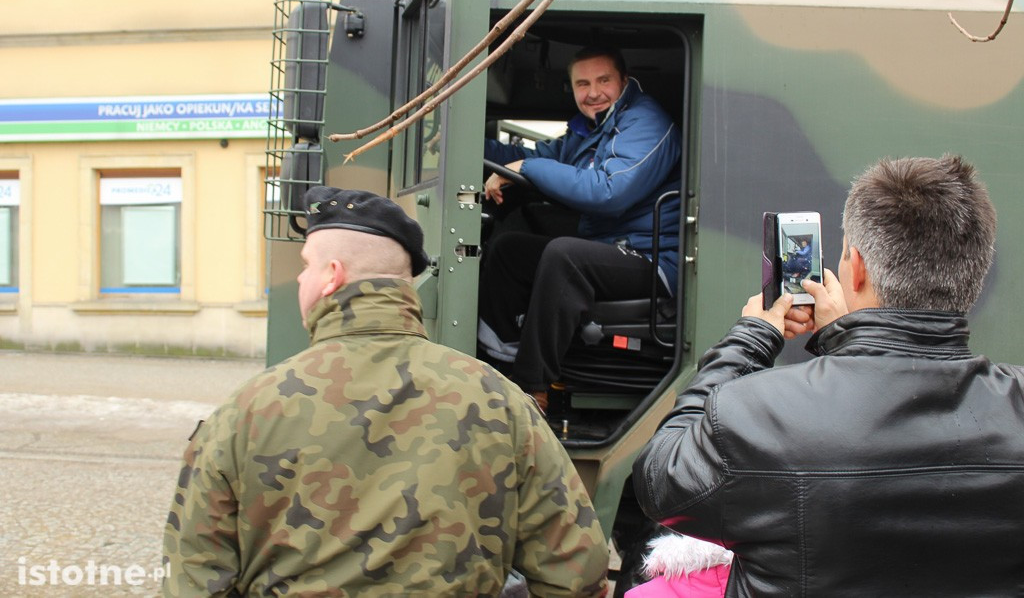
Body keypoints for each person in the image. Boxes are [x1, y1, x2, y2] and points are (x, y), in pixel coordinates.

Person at [162, 187, 609, 597]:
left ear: (332, 276)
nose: (299, 279)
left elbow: (194, 581)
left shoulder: (246, 412)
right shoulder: (500, 401)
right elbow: (577, 572)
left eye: (305, 266)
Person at [632, 155, 1024, 596]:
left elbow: (660, 479)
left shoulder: (761, 412)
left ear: (856, 267)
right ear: (974, 272)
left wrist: (750, 339)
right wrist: (847, 342)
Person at [478, 45, 681, 410]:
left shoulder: (645, 121)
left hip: (653, 260)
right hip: (612, 247)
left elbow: (609, 192)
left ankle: (531, 390)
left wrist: (527, 169)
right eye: (582, 84)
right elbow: (535, 157)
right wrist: (464, 144)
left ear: (624, 81)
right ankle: (499, 363)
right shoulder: (588, 130)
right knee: (510, 250)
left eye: (603, 80)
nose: (593, 92)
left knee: (565, 255)